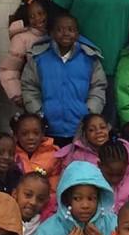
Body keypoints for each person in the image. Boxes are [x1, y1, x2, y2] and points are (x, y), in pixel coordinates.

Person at [21, 12, 108, 146]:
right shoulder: (39, 58)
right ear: (51, 33)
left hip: (80, 129)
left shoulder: (89, 59)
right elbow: (29, 87)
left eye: (71, 29)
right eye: (60, 30)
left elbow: (98, 87)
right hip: (48, 129)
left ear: (77, 34)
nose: (66, 33)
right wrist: (39, 113)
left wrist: (89, 112)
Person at [2, 0, 54, 107]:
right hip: (31, 95)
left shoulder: (57, 34)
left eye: (41, 13)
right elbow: (9, 70)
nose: (37, 19)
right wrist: (17, 95)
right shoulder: (21, 39)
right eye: (32, 16)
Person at [11, 113, 61, 214]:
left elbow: (54, 189)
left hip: (43, 208)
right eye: (24, 134)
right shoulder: (11, 153)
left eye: (36, 133)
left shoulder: (54, 155)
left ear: (43, 134)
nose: (31, 137)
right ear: (16, 135)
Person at [13, 171, 52, 235]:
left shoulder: (42, 225)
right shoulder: (4, 217)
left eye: (40, 199)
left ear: (46, 201)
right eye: (28, 195)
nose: (33, 202)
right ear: (15, 194)